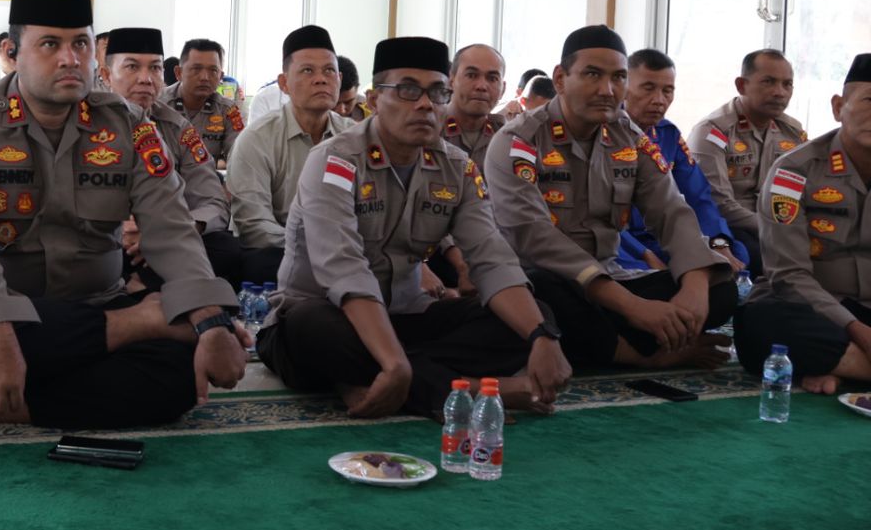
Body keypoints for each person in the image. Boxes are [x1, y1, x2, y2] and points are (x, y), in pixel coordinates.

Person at [0, 0, 246, 439]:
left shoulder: (129, 124)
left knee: (179, 375)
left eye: (80, 44)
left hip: (93, 301)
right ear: (13, 53)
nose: (70, 59)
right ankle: (129, 328)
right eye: (50, 44)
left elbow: (171, 228)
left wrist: (210, 321)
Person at [259, 37, 571, 418]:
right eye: (408, 90)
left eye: (437, 92)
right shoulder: (335, 159)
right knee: (310, 329)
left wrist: (541, 336)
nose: (425, 104)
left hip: (406, 316)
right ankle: (468, 388)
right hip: (330, 315)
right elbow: (343, 270)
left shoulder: (457, 167)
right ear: (374, 100)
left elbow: (492, 259)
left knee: (534, 313)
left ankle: (377, 376)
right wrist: (394, 362)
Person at [487, 26, 737, 370]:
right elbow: (535, 239)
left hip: (613, 278)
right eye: (592, 74)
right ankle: (640, 356)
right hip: (546, 282)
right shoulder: (518, 141)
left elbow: (670, 210)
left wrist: (694, 284)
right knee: (548, 294)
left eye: (618, 77)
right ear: (560, 79)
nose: (607, 90)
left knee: (719, 289)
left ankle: (609, 343)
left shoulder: (627, 135)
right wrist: (633, 307)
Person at [735, 54, 871, 393]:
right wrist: (856, 329)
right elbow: (789, 275)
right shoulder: (794, 171)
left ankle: (846, 368)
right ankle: (854, 365)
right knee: (759, 322)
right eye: (870, 102)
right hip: (817, 309)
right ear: (839, 107)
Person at [102, 28, 247, 287]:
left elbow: (212, 201)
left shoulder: (178, 127)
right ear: (106, 75)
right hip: (105, 238)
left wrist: (172, 231)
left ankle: (141, 285)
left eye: (155, 68)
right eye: (132, 67)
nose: (146, 79)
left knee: (228, 249)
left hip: (169, 236)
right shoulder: (82, 123)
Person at [225, 26, 351, 282]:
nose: (321, 79)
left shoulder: (354, 137)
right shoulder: (257, 139)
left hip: (344, 251)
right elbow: (254, 223)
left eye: (329, 71)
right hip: (282, 250)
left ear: (339, 79)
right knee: (262, 264)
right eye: (307, 71)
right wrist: (313, 249)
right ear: (284, 84)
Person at [617, 49, 748, 274]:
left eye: (667, 91)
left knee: (736, 252)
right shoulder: (603, 133)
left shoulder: (668, 134)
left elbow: (698, 196)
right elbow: (595, 217)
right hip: (623, 240)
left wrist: (718, 243)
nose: (659, 100)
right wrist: (643, 253)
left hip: (663, 235)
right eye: (648, 88)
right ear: (624, 89)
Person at [690, 49, 809, 275]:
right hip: (726, 229)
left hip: (778, 224)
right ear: (741, 85)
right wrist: (779, 230)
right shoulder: (713, 131)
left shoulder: (793, 132)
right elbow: (719, 204)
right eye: (768, 82)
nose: (780, 92)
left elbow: (807, 190)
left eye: (787, 84)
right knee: (770, 259)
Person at [426, 43, 509, 294]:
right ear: (451, 80)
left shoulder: (510, 138)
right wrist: (462, 264)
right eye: (472, 75)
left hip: (495, 249)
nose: (482, 86)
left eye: (492, 78)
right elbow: (424, 208)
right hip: (434, 251)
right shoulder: (426, 129)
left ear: (503, 88)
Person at [160, 39, 244, 165]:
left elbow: (240, 158)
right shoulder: (157, 104)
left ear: (220, 77)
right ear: (179, 73)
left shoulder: (227, 110)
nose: (205, 77)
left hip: (208, 176)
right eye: (196, 69)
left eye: (213, 71)